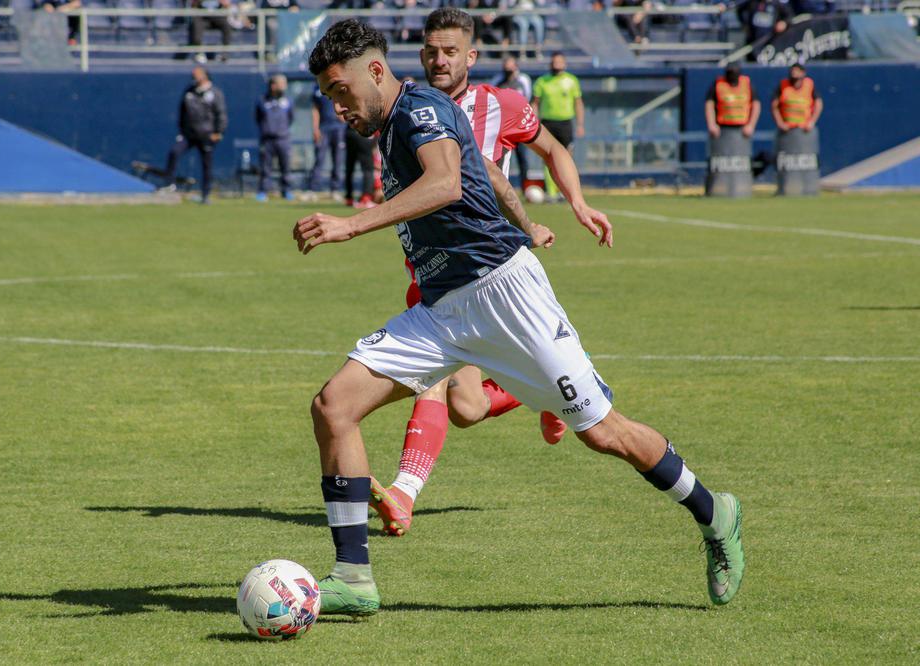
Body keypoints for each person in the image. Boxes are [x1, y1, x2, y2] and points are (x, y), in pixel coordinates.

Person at [296, 18, 745, 617]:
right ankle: (353, 578)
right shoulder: (396, 120)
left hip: (506, 299)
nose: (337, 108)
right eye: (329, 98)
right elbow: (486, 175)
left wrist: (350, 224)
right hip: (442, 310)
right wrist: (527, 222)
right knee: (334, 407)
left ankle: (716, 515)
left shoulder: (418, 111)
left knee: (605, 433)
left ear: (375, 72)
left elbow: (447, 183)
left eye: (340, 92)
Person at [368, 6, 615, 539]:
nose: (439, 60)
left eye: (450, 51)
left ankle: (404, 495)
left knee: (433, 389)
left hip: (492, 268)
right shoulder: (404, 108)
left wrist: (576, 204)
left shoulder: (499, 105)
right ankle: (548, 391)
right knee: (468, 406)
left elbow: (552, 149)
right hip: (434, 267)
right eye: (431, 51)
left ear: (471, 57)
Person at [161, 66, 227, 204]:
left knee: (207, 165)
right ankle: (169, 183)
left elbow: (221, 114)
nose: (193, 76)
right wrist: (181, 130)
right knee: (174, 152)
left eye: (196, 74)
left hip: (207, 134)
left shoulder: (215, 93)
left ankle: (205, 194)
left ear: (205, 75)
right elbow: (182, 112)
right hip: (189, 134)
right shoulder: (189, 91)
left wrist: (219, 132)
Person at [532, 52, 585, 202]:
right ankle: (551, 192)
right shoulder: (542, 81)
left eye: (560, 62)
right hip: (547, 123)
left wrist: (580, 124)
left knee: (567, 157)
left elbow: (578, 103)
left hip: (566, 122)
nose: (557, 64)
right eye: (554, 62)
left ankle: (566, 191)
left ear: (564, 63)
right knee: (548, 157)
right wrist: (533, 122)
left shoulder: (572, 81)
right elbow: (535, 103)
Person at [493, 55, 532, 186]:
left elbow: (527, 99)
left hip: (519, 126)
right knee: (502, 158)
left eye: (511, 64)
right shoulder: (498, 80)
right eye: (506, 64)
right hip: (503, 127)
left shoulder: (523, 80)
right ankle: (501, 187)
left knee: (522, 157)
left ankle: (524, 186)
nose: (508, 67)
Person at [255, 74, 294, 202]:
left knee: (285, 167)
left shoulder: (288, 101)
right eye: (281, 84)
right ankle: (263, 192)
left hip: (283, 138)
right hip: (267, 140)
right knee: (265, 168)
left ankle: (286, 191)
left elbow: (290, 118)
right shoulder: (262, 100)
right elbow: (258, 118)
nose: (284, 87)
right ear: (273, 86)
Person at [308, 84, 345, 200]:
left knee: (338, 160)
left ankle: (335, 190)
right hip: (323, 128)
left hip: (338, 128)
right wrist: (315, 128)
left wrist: (344, 117)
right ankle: (313, 190)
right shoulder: (316, 88)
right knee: (319, 159)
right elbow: (315, 109)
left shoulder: (337, 83)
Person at [705, 62, 760, 140]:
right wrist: (712, 124)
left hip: (742, 129)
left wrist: (751, 125)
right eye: (729, 73)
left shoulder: (746, 83)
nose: (731, 75)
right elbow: (709, 104)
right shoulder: (718, 84)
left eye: (733, 72)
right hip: (722, 129)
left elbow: (756, 105)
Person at [771, 63, 822, 133]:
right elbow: (774, 106)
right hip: (787, 129)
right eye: (793, 70)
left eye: (797, 70)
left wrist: (812, 122)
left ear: (803, 73)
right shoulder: (783, 85)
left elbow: (818, 104)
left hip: (804, 128)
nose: (794, 72)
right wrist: (780, 123)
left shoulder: (809, 85)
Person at [343, 122, 376, 208]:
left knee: (349, 168)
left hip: (350, 132)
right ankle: (366, 199)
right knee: (368, 169)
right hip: (363, 132)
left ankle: (349, 198)